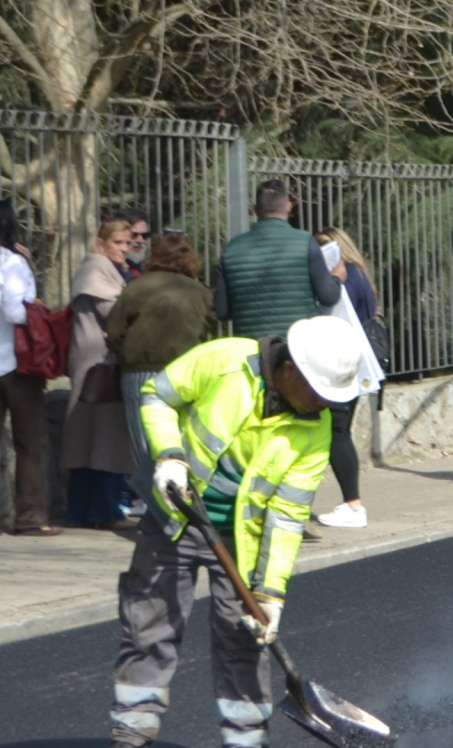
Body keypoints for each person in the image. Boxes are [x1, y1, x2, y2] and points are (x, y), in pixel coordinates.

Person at [88, 315, 361, 748]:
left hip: (241, 543)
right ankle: (132, 742)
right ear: (289, 367)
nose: (321, 403)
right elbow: (156, 394)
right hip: (173, 515)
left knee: (244, 643)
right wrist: (169, 456)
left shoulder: (313, 431)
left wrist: (271, 594)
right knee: (148, 627)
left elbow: (288, 516)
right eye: (317, 390)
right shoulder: (224, 360)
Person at [107, 232, 219, 516]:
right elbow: (209, 331)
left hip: (139, 371)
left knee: (142, 445)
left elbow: (113, 331)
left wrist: (125, 352)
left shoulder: (135, 287)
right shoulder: (201, 292)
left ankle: (152, 509)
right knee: (179, 440)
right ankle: (179, 506)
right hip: (185, 375)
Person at [66, 220, 137, 530]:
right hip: (99, 366)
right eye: (118, 242)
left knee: (91, 441)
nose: (125, 248)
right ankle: (105, 512)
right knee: (104, 440)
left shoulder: (103, 269)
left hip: (96, 363)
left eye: (127, 242)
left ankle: (84, 511)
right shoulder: (97, 270)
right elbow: (115, 314)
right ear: (101, 242)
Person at [213, 180, 343, 340]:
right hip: (297, 347)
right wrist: (337, 277)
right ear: (289, 206)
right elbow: (329, 296)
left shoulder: (230, 250)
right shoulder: (304, 242)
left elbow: (222, 311)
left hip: (252, 347)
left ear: (255, 210)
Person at [312, 227, 380, 529]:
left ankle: (353, 506)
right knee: (339, 430)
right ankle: (351, 504)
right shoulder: (359, 274)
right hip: (356, 361)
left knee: (336, 430)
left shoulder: (346, 277)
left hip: (343, 362)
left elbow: (334, 309)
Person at [2, 202, 59, 536]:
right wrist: (37, 312)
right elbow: (14, 311)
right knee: (29, 444)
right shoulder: (12, 263)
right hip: (15, 364)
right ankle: (29, 518)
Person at [110, 209, 151, 278]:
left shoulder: (146, 270)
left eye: (144, 235)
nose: (140, 241)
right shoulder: (108, 270)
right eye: (133, 235)